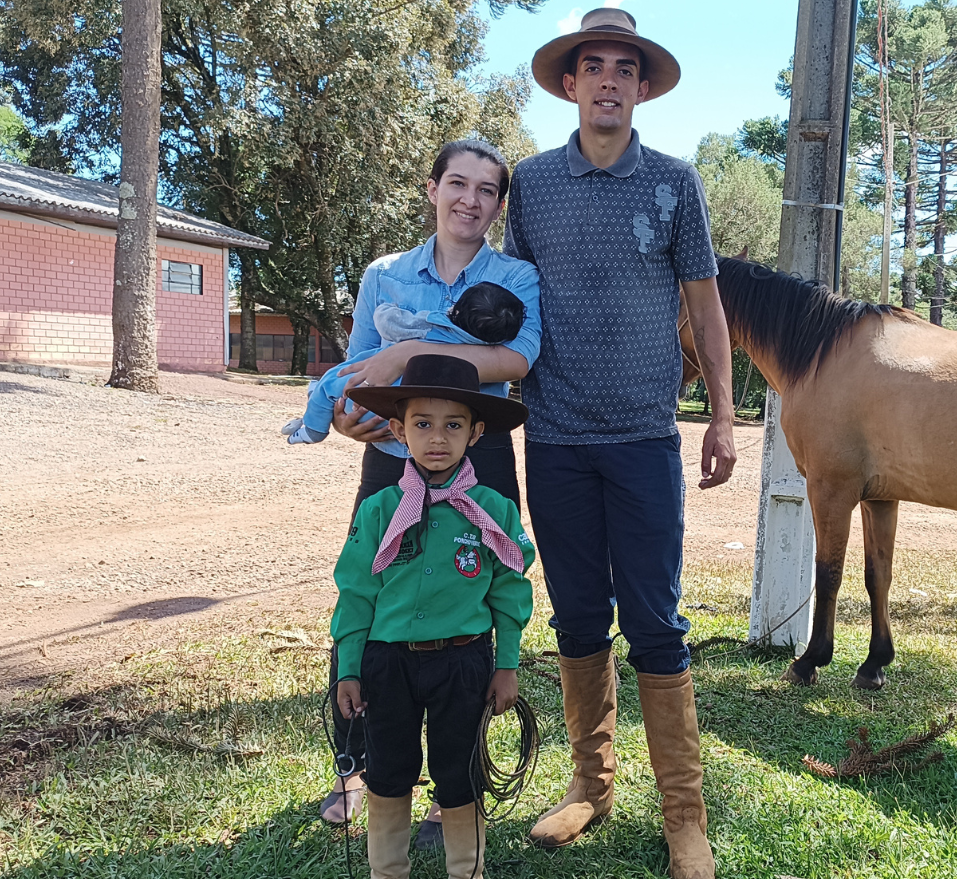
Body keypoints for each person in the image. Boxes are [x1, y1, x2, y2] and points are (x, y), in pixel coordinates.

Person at [501, 9, 737, 879]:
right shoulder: (530, 183)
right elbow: (508, 298)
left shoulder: (676, 183)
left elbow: (706, 306)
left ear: (642, 87)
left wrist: (720, 412)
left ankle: (685, 816)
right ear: (570, 84)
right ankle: (591, 786)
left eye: (623, 68)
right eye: (592, 65)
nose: (607, 79)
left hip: (643, 439)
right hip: (555, 438)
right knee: (576, 615)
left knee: (657, 620)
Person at [318, 140, 541, 850]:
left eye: (486, 190)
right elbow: (360, 370)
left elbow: (516, 358)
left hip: (482, 457)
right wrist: (353, 417)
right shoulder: (384, 275)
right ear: (432, 188)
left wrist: (410, 358)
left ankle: (459, 771)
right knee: (373, 585)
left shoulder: (516, 277)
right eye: (457, 183)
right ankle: (357, 767)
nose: (469, 200)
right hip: (392, 455)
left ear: (499, 205)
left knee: (474, 596)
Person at [331, 353, 535, 879]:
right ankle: (387, 871)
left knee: (460, 772)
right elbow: (356, 594)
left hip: (463, 664)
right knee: (389, 769)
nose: (437, 438)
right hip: (387, 664)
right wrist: (349, 668)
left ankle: (467, 870)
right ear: (398, 430)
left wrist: (506, 663)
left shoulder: (495, 510)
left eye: (453, 425)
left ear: (477, 432)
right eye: (422, 424)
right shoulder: (379, 510)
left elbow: (509, 591)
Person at [283, 282, 525, 444]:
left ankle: (312, 430)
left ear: (457, 310)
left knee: (333, 382)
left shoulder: (434, 323)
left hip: (370, 402)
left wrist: (388, 308)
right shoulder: (484, 349)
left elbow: (388, 322)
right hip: (404, 422)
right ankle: (312, 411)